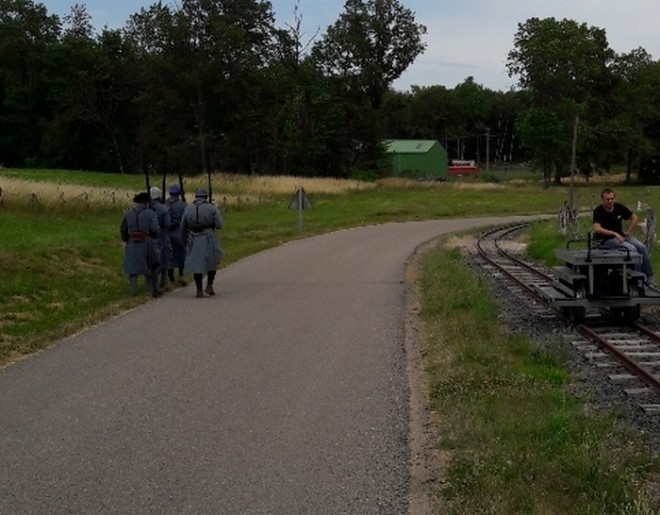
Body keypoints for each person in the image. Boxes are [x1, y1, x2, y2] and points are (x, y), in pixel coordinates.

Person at [592, 187, 653, 284]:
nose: (610, 201)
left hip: (622, 236)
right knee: (632, 249)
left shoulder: (619, 207)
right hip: (608, 240)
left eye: (612, 198)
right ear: (602, 200)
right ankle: (637, 279)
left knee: (641, 247)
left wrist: (628, 232)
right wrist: (614, 233)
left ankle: (649, 276)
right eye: (607, 199)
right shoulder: (598, 211)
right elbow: (597, 228)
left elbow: (634, 217)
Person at [180, 188, 224, 298]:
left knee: (196, 264)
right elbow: (219, 225)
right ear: (206, 197)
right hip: (208, 236)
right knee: (212, 261)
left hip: (194, 237)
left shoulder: (188, 208)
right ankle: (209, 285)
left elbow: (183, 227)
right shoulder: (211, 208)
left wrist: (185, 240)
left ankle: (199, 289)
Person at [120, 191, 161, 297]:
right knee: (152, 265)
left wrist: (126, 240)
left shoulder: (128, 213)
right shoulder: (151, 213)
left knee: (132, 269)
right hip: (147, 242)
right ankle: (151, 289)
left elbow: (123, 230)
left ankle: (134, 291)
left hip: (132, 242)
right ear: (146, 202)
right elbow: (155, 229)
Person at [149, 186, 172, 292]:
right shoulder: (164, 208)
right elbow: (168, 224)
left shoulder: (147, 208)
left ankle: (151, 283)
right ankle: (163, 281)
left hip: (150, 237)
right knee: (164, 258)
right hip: (162, 236)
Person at [165, 183, 188, 287]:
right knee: (182, 253)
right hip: (179, 231)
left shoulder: (164, 205)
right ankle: (181, 275)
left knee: (170, 254)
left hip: (167, 232)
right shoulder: (183, 205)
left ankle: (171, 279)